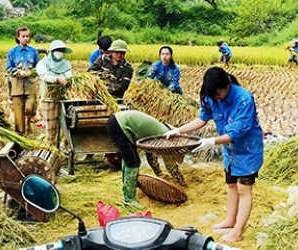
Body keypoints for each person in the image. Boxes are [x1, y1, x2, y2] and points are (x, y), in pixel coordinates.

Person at [164, 67, 263, 243]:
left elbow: (236, 133)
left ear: (227, 85)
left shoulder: (243, 99)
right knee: (231, 184)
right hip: (230, 151)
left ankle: (238, 231)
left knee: (243, 189)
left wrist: (211, 142)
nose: (216, 98)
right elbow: (202, 119)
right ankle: (230, 220)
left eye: (219, 94)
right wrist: (178, 130)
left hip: (248, 149)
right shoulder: (210, 96)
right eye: (214, 95)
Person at [106, 110, 186, 209]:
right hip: (120, 125)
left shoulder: (159, 130)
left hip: (115, 121)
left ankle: (128, 187)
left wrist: (158, 173)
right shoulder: (167, 137)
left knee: (128, 157)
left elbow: (150, 156)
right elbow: (171, 166)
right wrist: (180, 180)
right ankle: (129, 200)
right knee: (133, 162)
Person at [88, 39, 134, 168]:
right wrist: (97, 87)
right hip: (96, 100)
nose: (119, 55)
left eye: (122, 53)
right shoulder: (102, 60)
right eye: (117, 52)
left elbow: (122, 87)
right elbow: (90, 73)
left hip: (115, 102)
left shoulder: (128, 68)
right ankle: (89, 151)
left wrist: (105, 89)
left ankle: (113, 155)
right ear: (112, 51)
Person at [36, 40, 72, 145]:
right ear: (52, 51)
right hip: (48, 99)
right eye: (57, 50)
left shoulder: (66, 64)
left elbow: (69, 75)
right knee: (51, 127)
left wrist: (67, 80)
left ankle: (65, 146)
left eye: (61, 50)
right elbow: (44, 75)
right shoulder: (43, 63)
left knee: (66, 125)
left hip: (63, 98)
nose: (59, 52)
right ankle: (51, 147)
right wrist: (57, 79)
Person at [6, 26, 40, 135]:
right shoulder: (12, 52)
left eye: (28, 36)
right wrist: (18, 72)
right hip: (17, 86)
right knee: (18, 113)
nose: (26, 38)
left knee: (30, 108)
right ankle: (21, 136)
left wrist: (31, 72)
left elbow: (38, 67)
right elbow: (8, 68)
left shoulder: (33, 51)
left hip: (30, 85)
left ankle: (29, 120)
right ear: (18, 37)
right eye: (23, 36)